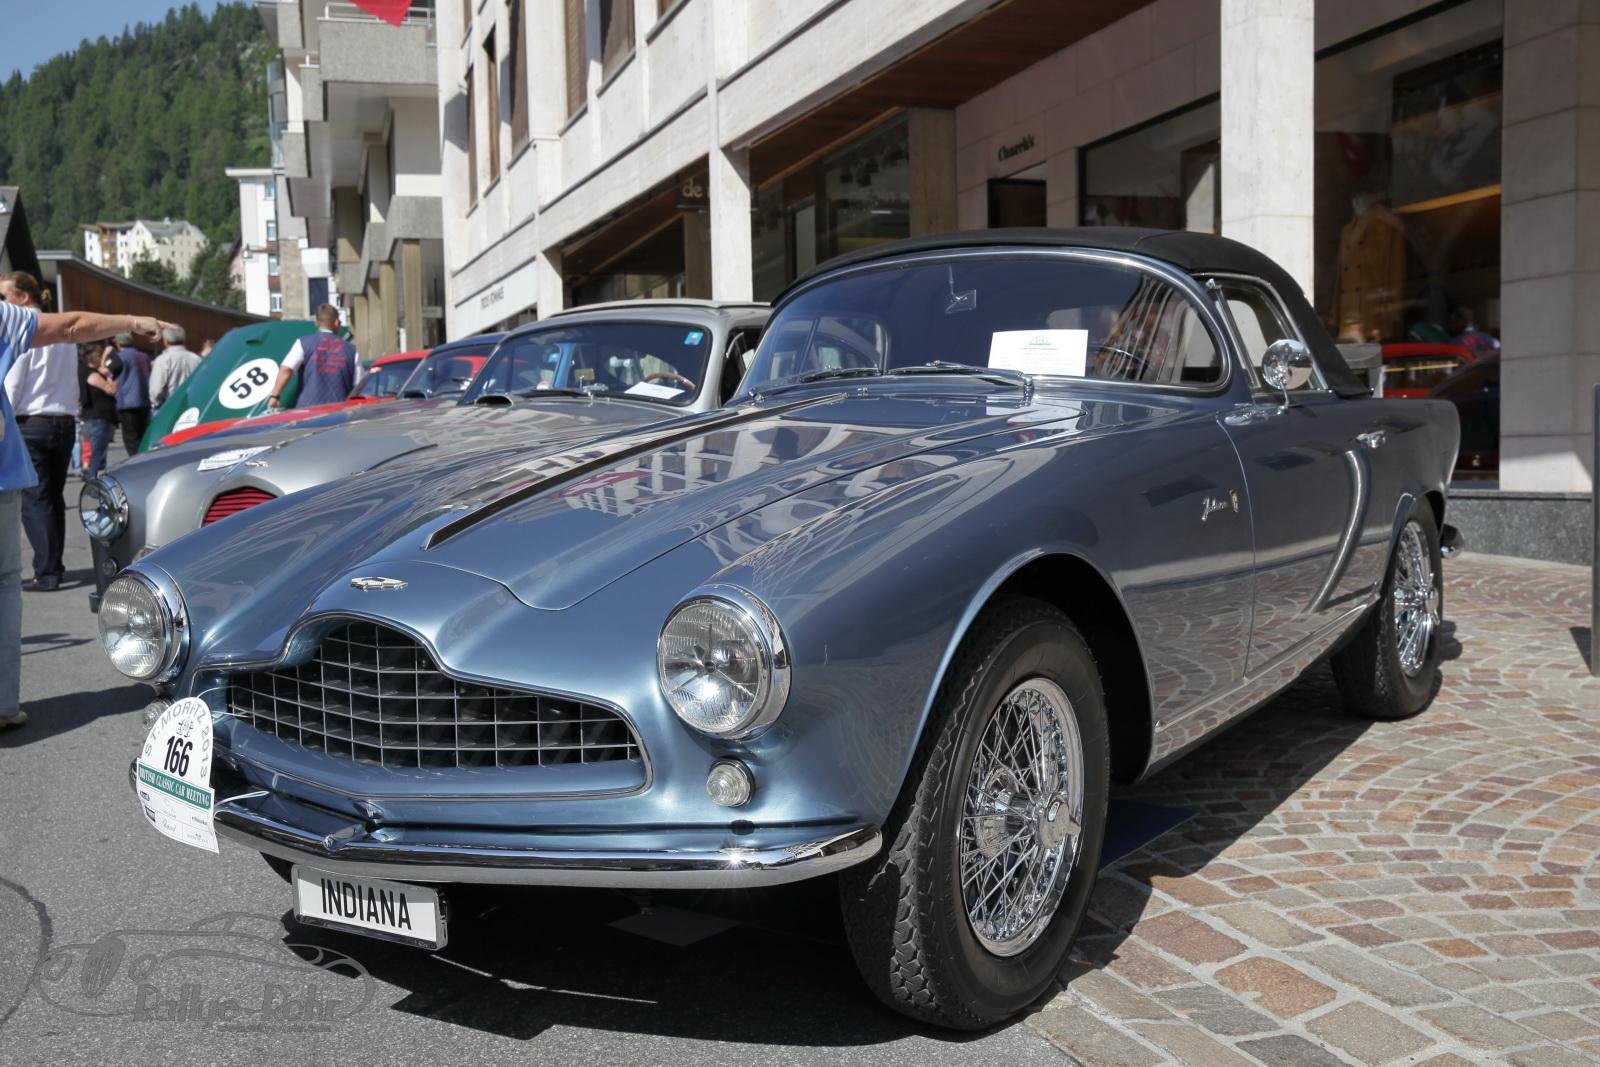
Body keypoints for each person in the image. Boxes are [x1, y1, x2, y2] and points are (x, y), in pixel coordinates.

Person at [1, 302, 173, 730]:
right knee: (5, 580)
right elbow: (71, 325)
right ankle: (2, 702)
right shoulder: (6, 316)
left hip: (29, 432)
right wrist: (132, 320)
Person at [0, 271, 77, 592]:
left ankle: (47, 571)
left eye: (3, 296)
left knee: (35, 500)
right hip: (63, 419)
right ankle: (52, 565)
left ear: (22, 298)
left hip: (30, 422)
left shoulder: (20, 327)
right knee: (53, 498)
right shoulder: (58, 330)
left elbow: (12, 382)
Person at [267, 304, 364, 410]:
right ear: (336, 322)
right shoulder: (351, 350)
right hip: (339, 412)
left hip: (308, 411)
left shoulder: (303, 344)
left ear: (316, 322)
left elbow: (286, 369)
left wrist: (275, 396)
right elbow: (360, 384)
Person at [106, 333, 152, 456]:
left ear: (119, 343)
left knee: (131, 440)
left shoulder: (120, 357)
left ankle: (136, 462)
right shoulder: (144, 356)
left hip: (127, 403)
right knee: (143, 437)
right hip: (144, 400)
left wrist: (106, 355)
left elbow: (106, 370)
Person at [80, 345, 119, 478]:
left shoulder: (83, 371)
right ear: (93, 358)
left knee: (93, 452)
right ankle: (94, 479)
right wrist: (109, 376)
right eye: (100, 356)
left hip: (89, 417)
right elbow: (111, 389)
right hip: (98, 417)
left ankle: (92, 476)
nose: (103, 358)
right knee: (98, 455)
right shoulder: (92, 374)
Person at [148, 324, 201, 409]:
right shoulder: (196, 359)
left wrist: (155, 404)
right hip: (192, 405)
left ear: (166, 341)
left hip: (169, 406)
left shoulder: (162, 360)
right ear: (184, 340)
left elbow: (156, 390)